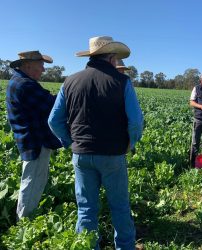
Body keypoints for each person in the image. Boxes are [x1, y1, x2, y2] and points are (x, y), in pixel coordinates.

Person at [48, 36, 143, 249]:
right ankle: (125, 246)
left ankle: (89, 246)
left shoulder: (69, 81)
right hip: (112, 155)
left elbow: (53, 120)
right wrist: (131, 143)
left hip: (80, 154)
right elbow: (136, 121)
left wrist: (69, 142)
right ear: (110, 58)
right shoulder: (122, 82)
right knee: (119, 206)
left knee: (86, 208)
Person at [6, 51, 62, 220]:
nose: (43, 70)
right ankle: (24, 223)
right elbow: (51, 104)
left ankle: (24, 219)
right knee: (32, 183)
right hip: (35, 141)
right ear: (28, 66)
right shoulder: (25, 85)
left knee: (34, 180)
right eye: (41, 65)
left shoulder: (18, 81)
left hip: (30, 140)